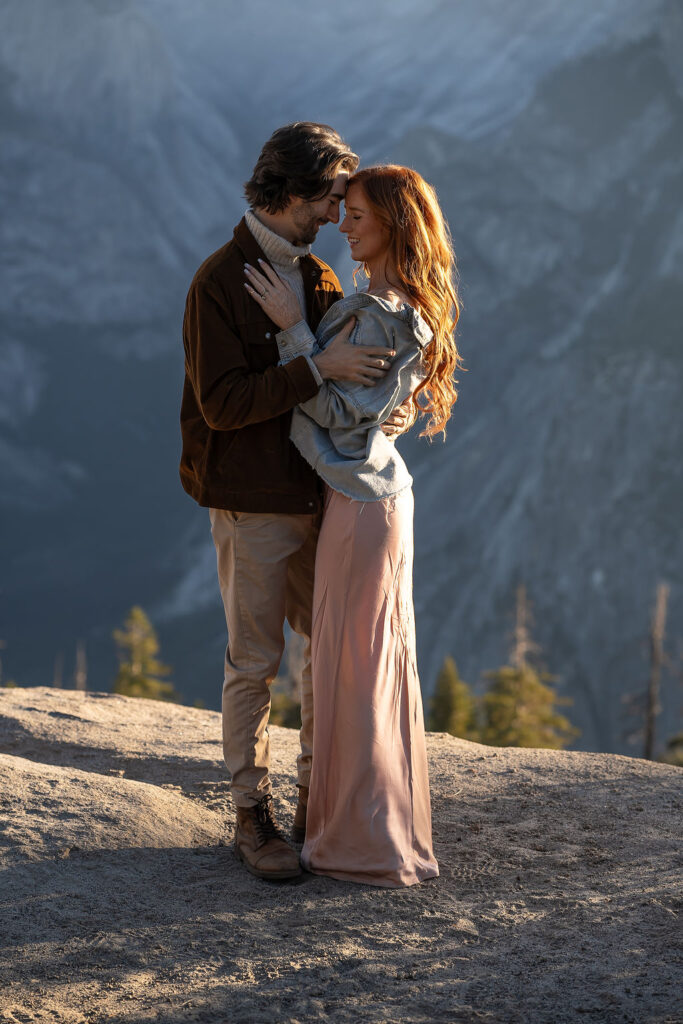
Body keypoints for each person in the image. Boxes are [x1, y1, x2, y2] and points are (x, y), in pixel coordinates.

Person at [180, 124, 411, 881]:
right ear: (288, 193)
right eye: (326, 200)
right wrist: (318, 366)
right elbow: (221, 404)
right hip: (251, 502)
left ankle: (317, 801)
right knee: (255, 660)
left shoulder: (313, 279)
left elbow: (343, 389)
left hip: (319, 497)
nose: (334, 216)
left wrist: (379, 401)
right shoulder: (221, 280)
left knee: (324, 654)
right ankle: (252, 813)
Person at [244, 163, 462, 886]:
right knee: (368, 663)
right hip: (378, 498)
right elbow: (374, 416)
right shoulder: (399, 303)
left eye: (359, 214)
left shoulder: (375, 312)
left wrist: (292, 335)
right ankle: (371, 828)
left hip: (359, 504)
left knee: (352, 665)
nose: (343, 222)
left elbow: (337, 416)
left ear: (396, 224)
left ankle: (360, 842)